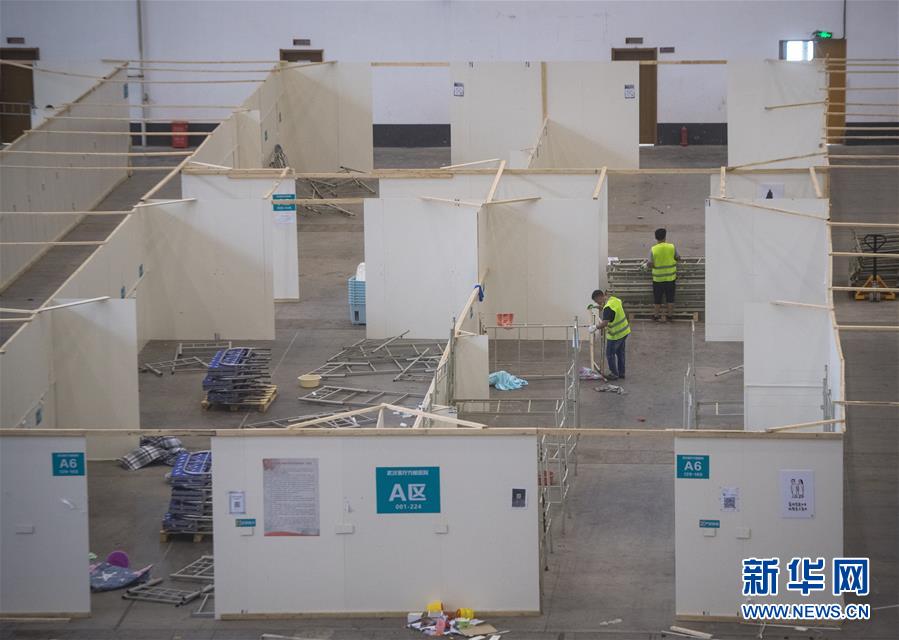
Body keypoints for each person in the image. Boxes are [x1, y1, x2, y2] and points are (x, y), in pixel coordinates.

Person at [589, 289, 630, 380]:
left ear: (600, 297)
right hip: (624, 331)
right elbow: (611, 312)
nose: (598, 303)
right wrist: (597, 307)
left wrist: (595, 327)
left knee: (610, 354)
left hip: (615, 335)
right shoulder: (614, 300)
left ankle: (614, 374)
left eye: (597, 301)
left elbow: (604, 323)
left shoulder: (608, 308)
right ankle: (621, 373)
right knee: (620, 353)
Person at [648, 227, 680, 322]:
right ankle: (670, 316)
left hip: (658, 280)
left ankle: (656, 316)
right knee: (670, 298)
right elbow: (678, 258)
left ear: (656, 238)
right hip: (671, 278)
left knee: (657, 299)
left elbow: (650, 264)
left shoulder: (653, 249)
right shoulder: (672, 247)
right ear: (665, 237)